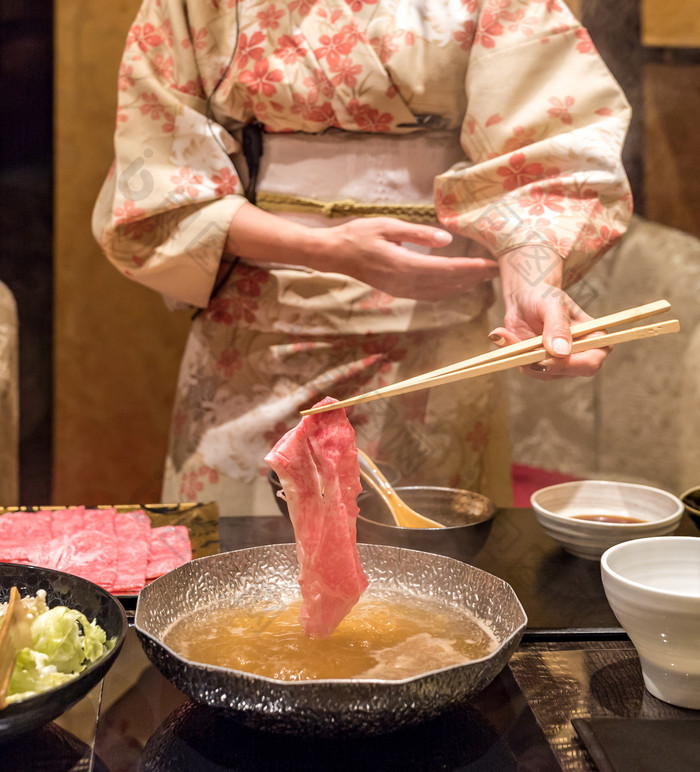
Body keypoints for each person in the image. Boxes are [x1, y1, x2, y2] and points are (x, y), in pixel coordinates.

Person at [93, 0, 632, 515]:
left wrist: (532, 286)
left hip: (437, 346)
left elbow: (544, 160)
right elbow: (160, 184)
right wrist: (324, 249)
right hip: (254, 335)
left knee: (430, 580)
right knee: (240, 578)